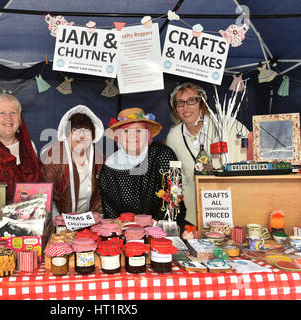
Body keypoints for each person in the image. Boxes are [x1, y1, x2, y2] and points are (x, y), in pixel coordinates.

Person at [165, 82, 247, 225]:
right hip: (193, 216)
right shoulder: (174, 136)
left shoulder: (228, 125)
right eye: (180, 103)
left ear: (202, 102)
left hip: (231, 210)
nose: (185, 108)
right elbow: (175, 175)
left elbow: (250, 157)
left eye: (191, 101)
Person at [99, 107, 188, 227]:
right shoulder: (109, 166)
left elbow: (175, 197)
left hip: (162, 229)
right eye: (126, 131)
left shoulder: (165, 154)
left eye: (138, 131)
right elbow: (109, 208)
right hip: (124, 230)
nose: (132, 136)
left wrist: (157, 227)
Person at [41, 105, 105, 217]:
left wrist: (97, 219)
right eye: (75, 130)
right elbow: (47, 197)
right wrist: (59, 224)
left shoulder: (100, 159)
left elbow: (101, 196)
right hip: (60, 222)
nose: (81, 136)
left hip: (91, 222)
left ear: (92, 134)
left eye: (86, 130)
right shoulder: (52, 158)